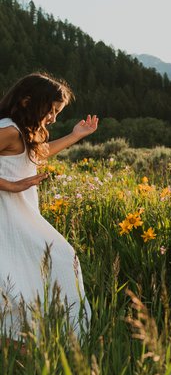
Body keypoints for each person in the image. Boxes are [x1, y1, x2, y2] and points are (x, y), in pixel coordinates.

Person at [0, 73, 97, 338]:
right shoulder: (8, 130)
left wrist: (76, 135)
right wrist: (11, 185)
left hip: (19, 217)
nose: (53, 117)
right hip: (6, 219)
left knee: (43, 267)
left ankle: (36, 339)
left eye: (57, 112)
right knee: (36, 269)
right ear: (27, 101)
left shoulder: (21, 132)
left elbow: (39, 153)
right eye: (52, 110)